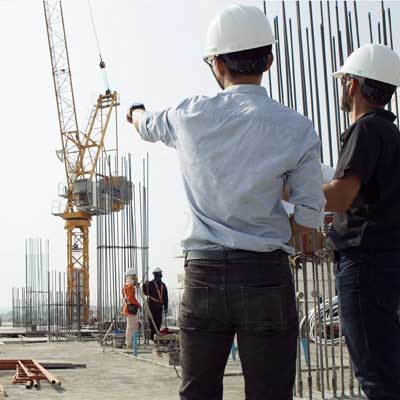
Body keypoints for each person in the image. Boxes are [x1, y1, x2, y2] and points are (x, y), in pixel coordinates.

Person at [127, 5, 324, 399]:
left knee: (198, 392)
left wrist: (135, 112)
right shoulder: (297, 128)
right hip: (266, 275)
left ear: (216, 63)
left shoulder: (189, 114)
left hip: (203, 276)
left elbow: (146, 124)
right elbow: (308, 217)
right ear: (269, 60)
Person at [324, 43, 400, 399]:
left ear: (353, 85)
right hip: (384, 262)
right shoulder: (390, 134)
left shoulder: (366, 129)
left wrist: (286, 191)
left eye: (344, 82)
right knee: (387, 366)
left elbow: (340, 196)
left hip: (363, 262)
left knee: (374, 374)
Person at [142, 267, 168, 341]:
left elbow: (165, 297)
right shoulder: (150, 284)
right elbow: (145, 293)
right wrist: (144, 285)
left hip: (159, 306)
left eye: (161, 273)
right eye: (159, 273)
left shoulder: (163, 285)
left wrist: (165, 307)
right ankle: (152, 335)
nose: (160, 275)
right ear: (155, 274)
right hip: (152, 305)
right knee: (152, 320)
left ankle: (156, 334)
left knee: (158, 321)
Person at [122, 269, 141, 349]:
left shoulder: (125, 286)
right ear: (131, 276)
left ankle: (131, 343)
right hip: (131, 309)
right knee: (131, 327)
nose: (135, 278)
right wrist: (139, 305)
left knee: (133, 326)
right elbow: (131, 299)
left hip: (128, 308)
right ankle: (129, 344)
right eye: (134, 276)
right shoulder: (130, 287)